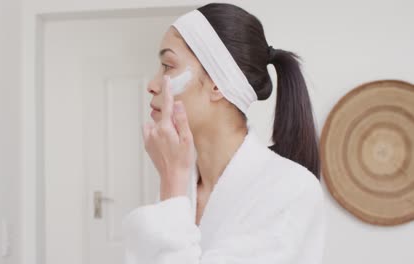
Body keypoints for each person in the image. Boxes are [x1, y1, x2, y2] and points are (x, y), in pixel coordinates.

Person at [121, 3, 326, 264]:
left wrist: (171, 185)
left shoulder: (291, 189)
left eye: (168, 66)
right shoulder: (185, 185)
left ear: (218, 84)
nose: (152, 85)